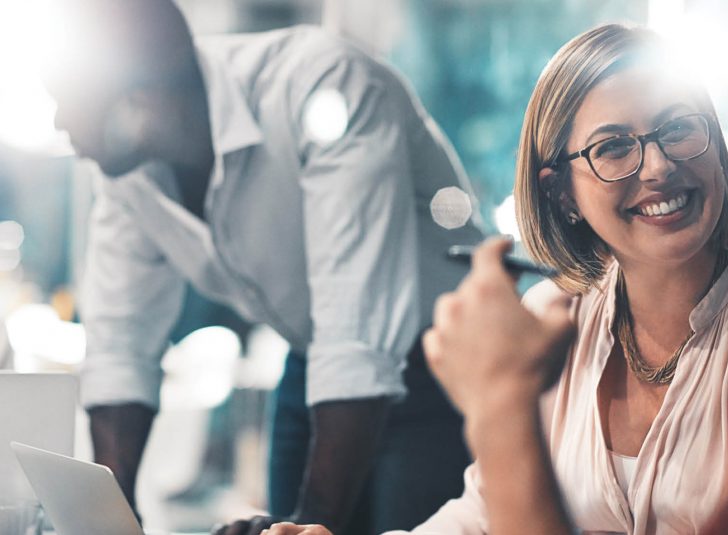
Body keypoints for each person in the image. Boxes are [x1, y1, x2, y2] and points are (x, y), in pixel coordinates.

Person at [266, 23, 728, 535]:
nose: (659, 165)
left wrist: (500, 400)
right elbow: (482, 516)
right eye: (614, 147)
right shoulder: (552, 318)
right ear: (561, 195)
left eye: (678, 128)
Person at [45, 1, 484, 533]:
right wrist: (110, 521)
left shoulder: (321, 85)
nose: (60, 122)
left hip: (441, 368)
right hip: (313, 364)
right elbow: (120, 344)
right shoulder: (130, 173)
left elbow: (356, 341)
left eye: (69, 101)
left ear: (144, 97)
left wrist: (309, 527)